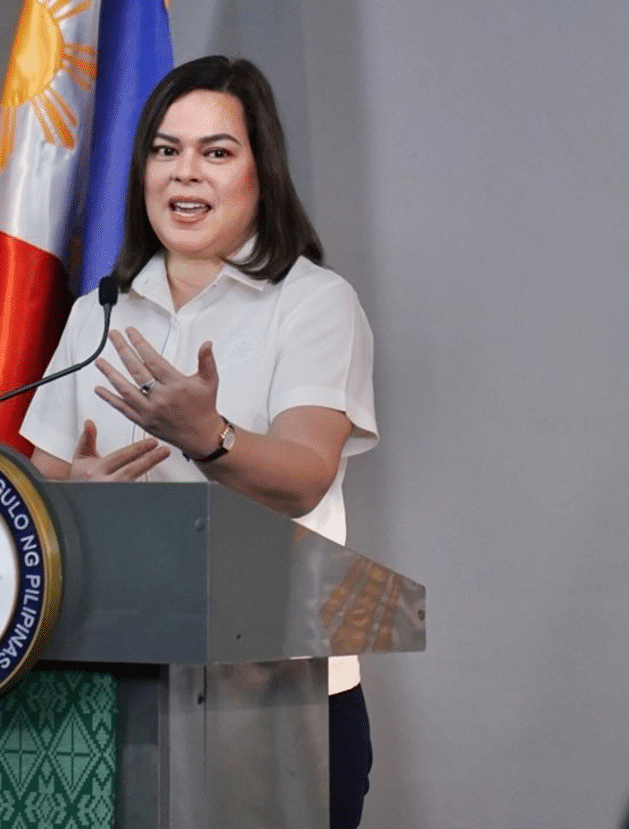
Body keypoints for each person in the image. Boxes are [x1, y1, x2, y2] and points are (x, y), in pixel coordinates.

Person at [20, 55, 378, 829]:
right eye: (165, 149)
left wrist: (207, 438)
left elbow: (306, 475)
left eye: (217, 152)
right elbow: (37, 489)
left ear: (261, 172)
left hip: (272, 693)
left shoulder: (313, 304)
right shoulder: (101, 312)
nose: (186, 173)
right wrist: (70, 504)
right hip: (114, 681)